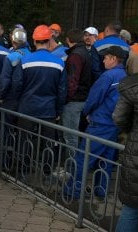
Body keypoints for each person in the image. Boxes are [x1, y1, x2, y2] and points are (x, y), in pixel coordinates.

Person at [64, 46, 127, 199]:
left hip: (100, 123)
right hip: (114, 124)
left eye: (106, 57)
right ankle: (101, 191)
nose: (103, 60)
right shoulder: (125, 76)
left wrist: (87, 112)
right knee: (106, 160)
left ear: (113, 59)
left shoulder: (108, 76)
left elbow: (94, 98)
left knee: (83, 159)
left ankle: (73, 191)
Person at [11, 25, 66, 177]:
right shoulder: (59, 63)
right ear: (49, 41)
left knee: (24, 141)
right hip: (48, 109)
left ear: (34, 41)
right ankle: (47, 172)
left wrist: (17, 104)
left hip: (27, 108)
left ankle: (23, 171)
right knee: (47, 142)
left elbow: (17, 85)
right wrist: (58, 111)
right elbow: (62, 91)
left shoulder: (24, 60)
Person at [112, 72, 138, 232]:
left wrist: (133, 133)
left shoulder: (133, 85)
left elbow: (119, 117)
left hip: (135, 154)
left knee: (131, 209)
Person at [61, 29, 93, 153]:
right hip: (80, 97)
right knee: (72, 135)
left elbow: (72, 81)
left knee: (70, 136)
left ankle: (71, 169)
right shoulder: (84, 52)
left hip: (74, 101)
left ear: (68, 40)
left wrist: (66, 98)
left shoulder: (75, 55)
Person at [0, 28, 31, 124]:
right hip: (26, 97)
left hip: (11, 97)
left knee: (7, 126)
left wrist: (1, 95)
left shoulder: (10, 57)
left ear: (13, 41)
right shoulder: (31, 55)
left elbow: (5, 80)